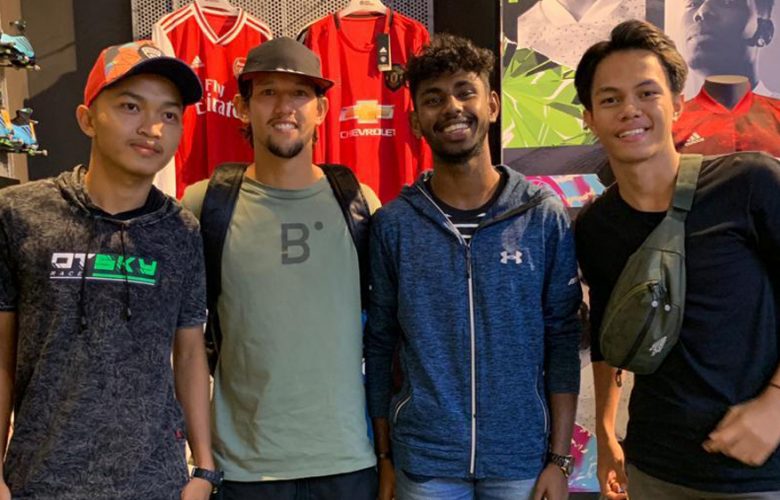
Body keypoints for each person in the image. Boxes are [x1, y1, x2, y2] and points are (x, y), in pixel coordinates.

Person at [365, 33, 582, 500]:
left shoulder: (541, 216)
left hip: (520, 459)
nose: (452, 107)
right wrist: (384, 457)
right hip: (425, 460)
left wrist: (559, 459)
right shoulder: (395, 224)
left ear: (493, 105)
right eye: (433, 99)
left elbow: (562, 339)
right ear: (416, 121)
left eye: (466, 91)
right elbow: (379, 342)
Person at [0, 40, 217, 499]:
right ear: (87, 118)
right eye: (130, 106)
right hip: (41, 482)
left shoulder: (181, 231)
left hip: (156, 483)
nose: (152, 128)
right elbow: (1, 355)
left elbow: (190, 353)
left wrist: (204, 469)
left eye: (169, 114)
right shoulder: (18, 214)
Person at [574, 19, 780, 500]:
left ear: (678, 103)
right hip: (655, 466)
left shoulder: (750, 184)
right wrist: (605, 432)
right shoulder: (596, 226)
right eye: (610, 99)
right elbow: (607, 333)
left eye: (647, 93)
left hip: (760, 471)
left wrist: (776, 405)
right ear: (589, 118)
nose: (630, 110)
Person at [181, 37, 380, 500]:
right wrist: (202, 461)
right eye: (268, 92)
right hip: (244, 469)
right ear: (242, 107)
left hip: (347, 461)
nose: (284, 107)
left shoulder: (359, 203)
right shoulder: (205, 203)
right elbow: (182, 341)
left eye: (299, 94)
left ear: (321, 110)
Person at [678, 0, 778, 97]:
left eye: (727, 2)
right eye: (693, 3)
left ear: (764, 32)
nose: (702, 11)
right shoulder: (675, 108)